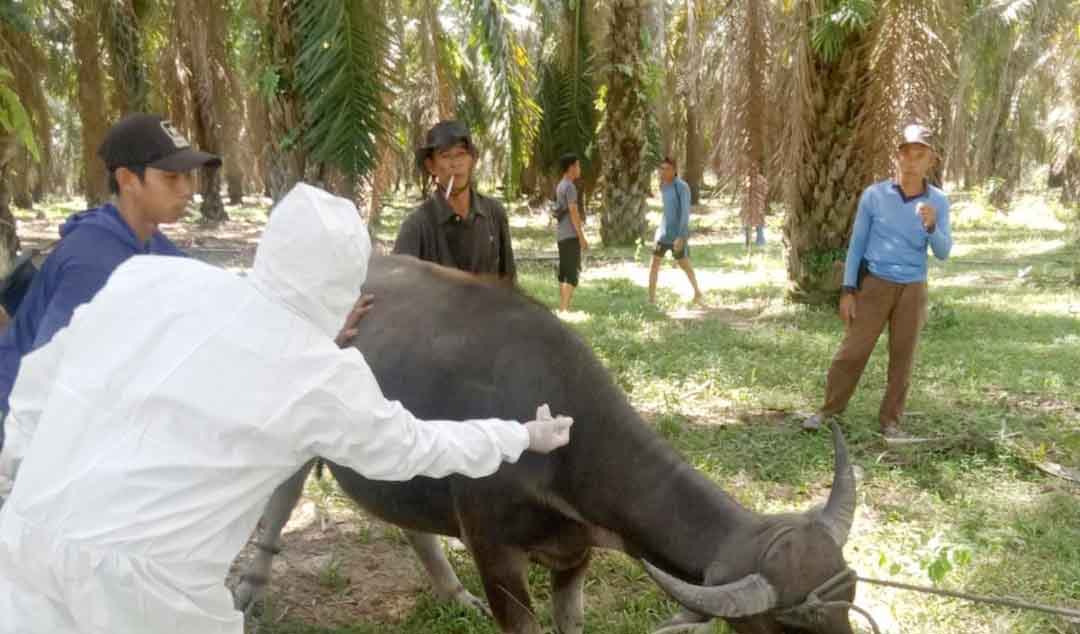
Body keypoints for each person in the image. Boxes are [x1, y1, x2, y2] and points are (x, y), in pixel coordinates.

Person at [0, 183, 573, 634]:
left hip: (23, 544)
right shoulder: (319, 376)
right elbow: (420, 447)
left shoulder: (154, 278)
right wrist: (523, 436)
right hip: (148, 597)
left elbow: (42, 373)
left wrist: (21, 465)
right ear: (349, 282)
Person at [0, 113, 221, 453]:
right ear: (128, 179)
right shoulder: (92, 261)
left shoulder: (145, 239)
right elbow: (50, 376)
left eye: (188, 176)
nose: (187, 190)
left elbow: (213, 296)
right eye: (172, 177)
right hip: (25, 434)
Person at [803, 124, 952, 439]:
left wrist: (931, 226)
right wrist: (848, 290)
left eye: (919, 154)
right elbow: (857, 244)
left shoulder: (937, 201)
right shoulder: (875, 195)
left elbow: (942, 252)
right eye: (906, 153)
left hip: (913, 287)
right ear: (897, 157)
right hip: (875, 283)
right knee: (852, 351)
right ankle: (828, 410)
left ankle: (890, 421)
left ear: (931, 160)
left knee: (902, 357)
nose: (911, 160)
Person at [394, 120, 516, 286]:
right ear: (431, 166)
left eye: (461, 154)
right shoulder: (416, 226)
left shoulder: (493, 213)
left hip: (488, 311)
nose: (455, 164)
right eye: (445, 156)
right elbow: (401, 290)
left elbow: (508, 280)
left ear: (472, 160)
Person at [648, 157, 705, 305]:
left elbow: (685, 213)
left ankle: (698, 292)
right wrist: (658, 232)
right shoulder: (664, 186)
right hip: (663, 234)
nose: (663, 172)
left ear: (674, 170)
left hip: (677, 236)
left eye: (666, 169)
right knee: (654, 264)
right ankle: (651, 300)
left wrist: (681, 236)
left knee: (684, 265)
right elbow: (666, 212)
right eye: (662, 169)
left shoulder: (682, 187)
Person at [555, 153, 587, 311]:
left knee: (564, 272)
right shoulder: (570, 187)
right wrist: (581, 237)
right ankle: (564, 308)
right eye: (578, 165)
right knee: (573, 275)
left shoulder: (560, 185)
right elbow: (574, 213)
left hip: (561, 234)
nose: (579, 169)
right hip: (570, 235)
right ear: (571, 168)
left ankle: (563, 306)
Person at [741, 170, 768, 248]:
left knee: (759, 223)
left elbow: (765, 190)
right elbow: (742, 191)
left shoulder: (761, 179)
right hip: (747, 205)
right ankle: (747, 242)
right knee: (746, 223)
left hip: (757, 204)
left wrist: (758, 195)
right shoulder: (745, 179)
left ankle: (760, 242)